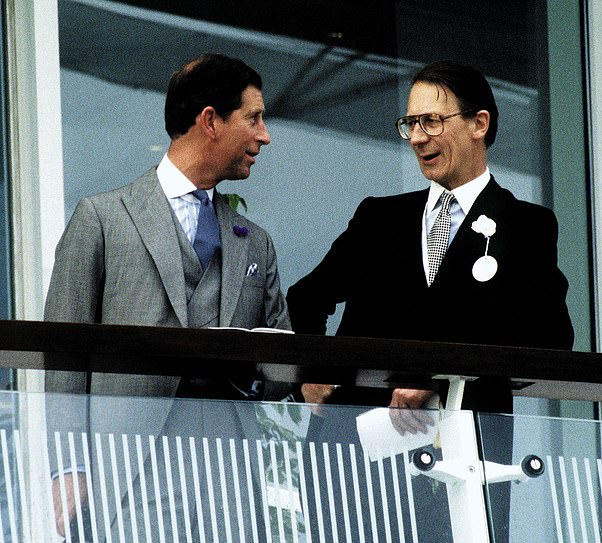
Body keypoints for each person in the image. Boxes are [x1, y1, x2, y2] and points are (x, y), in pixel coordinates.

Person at [286, 60, 574, 540]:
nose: (418, 137)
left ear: (479, 123)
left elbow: (550, 337)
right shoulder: (380, 219)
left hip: (465, 460)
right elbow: (306, 298)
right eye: (410, 124)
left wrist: (437, 377)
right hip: (357, 459)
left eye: (432, 122)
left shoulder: (526, 226)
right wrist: (312, 374)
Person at [44, 53, 291, 541]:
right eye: (254, 118)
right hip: (128, 469)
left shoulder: (255, 241)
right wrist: (66, 468)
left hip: (230, 476)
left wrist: (251, 376)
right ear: (210, 121)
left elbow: (283, 361)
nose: (265, 136)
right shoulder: (102, 218)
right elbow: (62, 355)